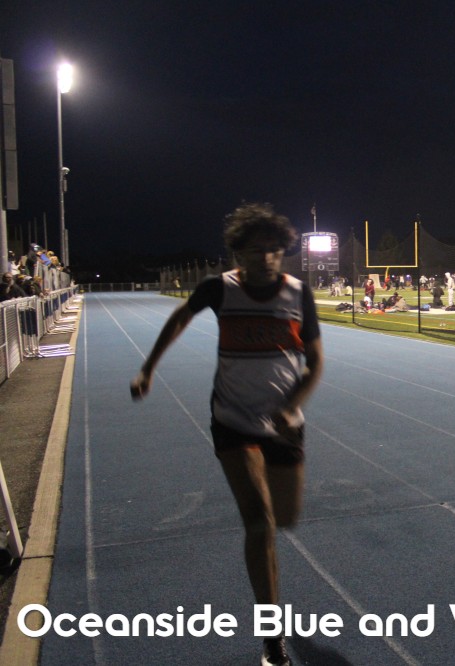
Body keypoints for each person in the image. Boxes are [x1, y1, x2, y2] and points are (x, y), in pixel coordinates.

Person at [130, 203, 323, 666]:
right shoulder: (220, 289)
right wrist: (148, 368)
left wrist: (291, 405)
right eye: (257, 250)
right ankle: (271, 636)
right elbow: (180, 317)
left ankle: (269, 586)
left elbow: (315, 363)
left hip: (284, 423)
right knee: (259, 524)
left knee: (285, 518)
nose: (267, 258)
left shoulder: (298, 294)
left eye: (275, 250)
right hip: (233, 420)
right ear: (238, 253)